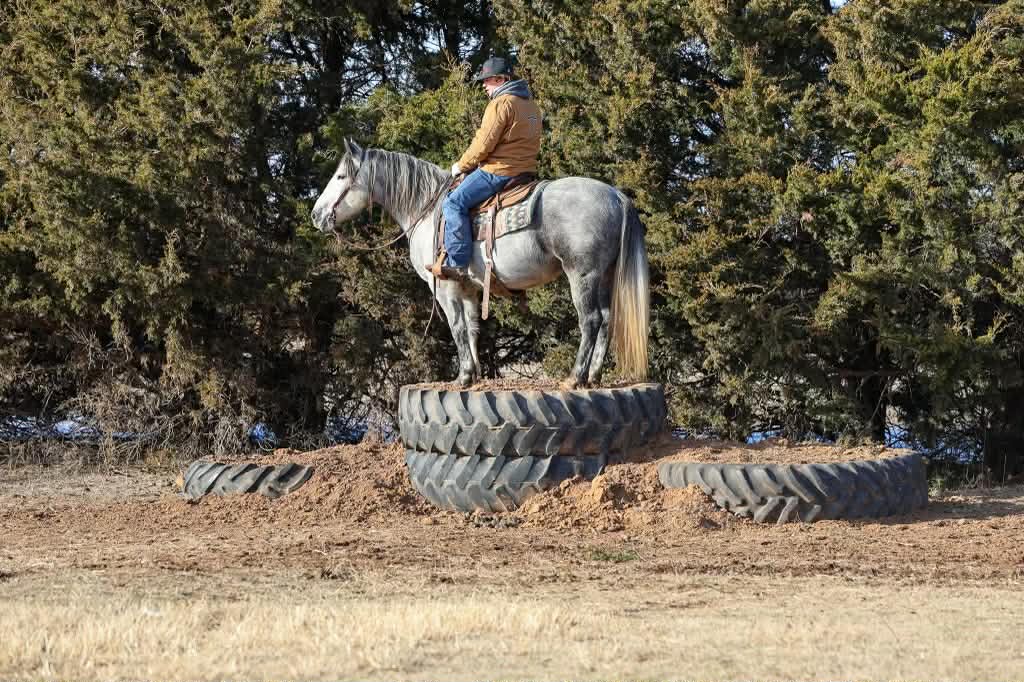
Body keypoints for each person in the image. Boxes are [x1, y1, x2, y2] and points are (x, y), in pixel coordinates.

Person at [430, 56, 542, 281]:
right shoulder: (531, 105)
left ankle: (457, 262)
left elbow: (483, 144)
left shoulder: (501, 104)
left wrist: (460, 166)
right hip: (526, 171)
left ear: (501, 79)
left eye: (487, 80)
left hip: (499, 171)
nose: (484, 85)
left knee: (453, 203)